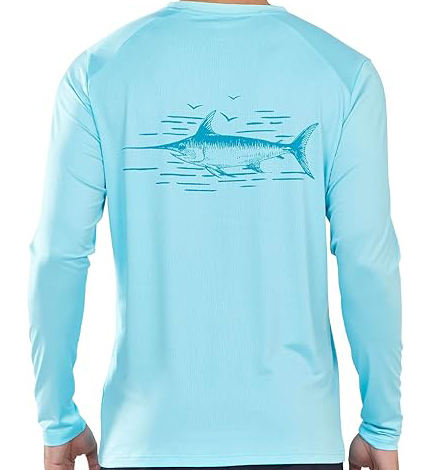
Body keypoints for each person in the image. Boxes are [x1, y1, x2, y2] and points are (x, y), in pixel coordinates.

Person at [29, 1, 402, 469]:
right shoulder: (344, 74)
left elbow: (57, 256)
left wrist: (58, 420)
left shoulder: (97, 73)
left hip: (145, 441)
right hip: (297, 437)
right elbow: (368, 261)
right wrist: (381, 426)